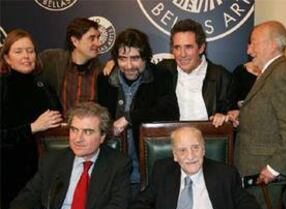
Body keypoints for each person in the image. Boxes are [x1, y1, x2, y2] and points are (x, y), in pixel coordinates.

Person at [9, 102, 131, 209]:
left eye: (87, 132)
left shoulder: (118, 164)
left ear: (102, 136)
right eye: (74, 130)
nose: (78, 139)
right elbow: (22, 201)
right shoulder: (52, 161)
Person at [128, 126, 262, 209]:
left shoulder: (225, 174)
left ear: (203, 150)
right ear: (175, 155)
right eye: (182, 150)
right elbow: (137, 206)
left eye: (195, 147)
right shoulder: (163, 171)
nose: (190, 156)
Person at [97, 28, 179, 188]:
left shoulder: (160, 76)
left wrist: (129, 118)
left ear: (146, 58)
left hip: (149, 171)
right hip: (113, 174)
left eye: (135, 58)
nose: (128, 65)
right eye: (122, 59)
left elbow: (169, 112)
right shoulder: (105, 80)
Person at [232, 21, 286, 184]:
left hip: (264, 175)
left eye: (254, 42)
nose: (249, 50)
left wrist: (274, 168)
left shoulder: (280, 76)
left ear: (272, 45)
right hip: (253, 169)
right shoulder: (271, 72)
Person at [0, 29, 62, 209]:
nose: (26, 56)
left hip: (45, 170)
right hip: (10, 172)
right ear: (7, 58)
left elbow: (58, 120)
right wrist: (33, 127)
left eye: (30, 50)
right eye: (18, 51)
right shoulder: (1, 87)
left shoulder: (44, 85)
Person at [157, 19, 232, 126]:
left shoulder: (222, 77)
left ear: (201, 48)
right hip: (171, 139)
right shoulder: (163, 71)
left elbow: (232, 118)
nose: (182, 54)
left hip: (207, 140)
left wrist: (224, 118)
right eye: (177, 47)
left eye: (188, 47)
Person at [39, 18, 102, 115]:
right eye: (92, 38)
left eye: (98, 38)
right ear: (75, 41)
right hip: (57, 129)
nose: (98, 43)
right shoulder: (51, 60)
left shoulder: (101, 71)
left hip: (88, 129)